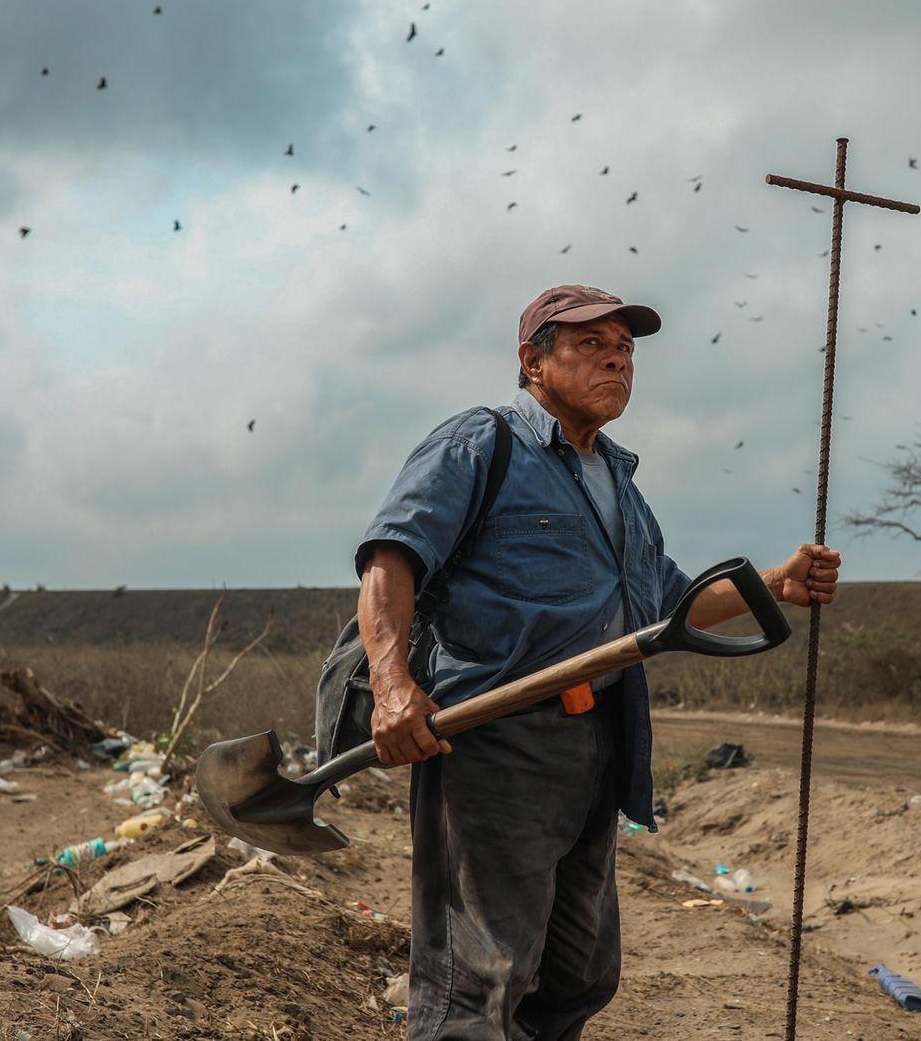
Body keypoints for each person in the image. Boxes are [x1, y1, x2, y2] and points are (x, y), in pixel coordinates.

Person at [355, 283, 843, 1039]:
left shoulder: (616, 477)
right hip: (497, 742)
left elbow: (668, 603)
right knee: (478, 979)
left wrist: (778, 585)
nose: (616, 359)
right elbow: (391, 563)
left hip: (596, 746)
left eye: (625, 350)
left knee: (576, 972)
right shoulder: (481, 445)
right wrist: (392, 686)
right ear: (532, 360)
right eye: (590, 345)